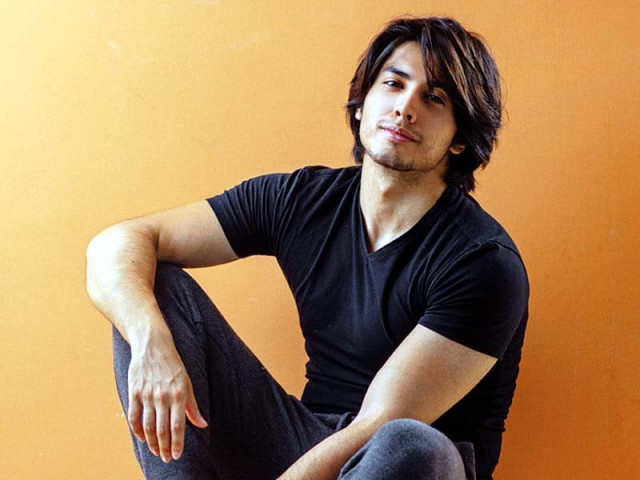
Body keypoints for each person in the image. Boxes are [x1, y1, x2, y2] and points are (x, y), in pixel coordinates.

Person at [86, 16, 529, 480]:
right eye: (393, 84)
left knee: (411, 442)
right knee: (150, 286)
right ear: (361, 104)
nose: (405, 108)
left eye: (433, 98)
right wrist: (150, 341)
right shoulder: (301, 200)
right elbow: (117, 243)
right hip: (304, 446)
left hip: (402, 463)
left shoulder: (483, 262)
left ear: (460, 138)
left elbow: (378, 422)